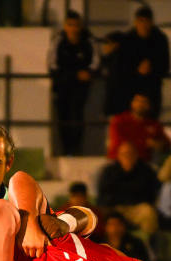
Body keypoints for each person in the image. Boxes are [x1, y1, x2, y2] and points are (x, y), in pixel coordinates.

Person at [48, 10, 93, 157]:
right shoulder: (58, 42)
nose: (73, 28)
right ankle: (66, 150)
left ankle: (76, 149)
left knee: (78, 117)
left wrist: (88, 74)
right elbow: (52, 66)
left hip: (81, 90)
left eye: (76, 25)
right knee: (63, 118)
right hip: (62, 89)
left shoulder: (88, 42)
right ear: (65, 26)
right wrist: (75, 75)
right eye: (70, 25)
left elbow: (95, 64)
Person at [97, 141, 159, 235]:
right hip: (115, 207)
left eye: (130, 153)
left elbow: (150, 194)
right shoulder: (109, 171)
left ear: (136, 155)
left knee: (148, 212)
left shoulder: (146, 171)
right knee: (99, 214)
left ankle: (150, 244)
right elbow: (104, 194)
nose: (127, 156)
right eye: (124, 154)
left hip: (137, 208)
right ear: (118, 155)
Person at [118, 5, 170, 116]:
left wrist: (152, 68)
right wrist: (137, 70)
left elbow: (165, 66)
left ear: (152, 23)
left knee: (151, 125)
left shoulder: (160, 39)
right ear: (135, 22)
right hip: (131, 89)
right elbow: (121, 67)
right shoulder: (127, 40)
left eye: (147, 21)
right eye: (141, 21)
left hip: (153, 89)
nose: (144, 25)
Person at [107, 92, 171, 163]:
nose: (140, 104)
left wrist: (160, 144)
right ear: (132, 103)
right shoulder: (119, 120)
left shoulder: (153, 124)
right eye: (137, 101)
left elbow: (167, 143)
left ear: (149, 105)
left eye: (144, 102)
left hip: (143, 163)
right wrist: (146, 143)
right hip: (118, 161)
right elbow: (119, 142)